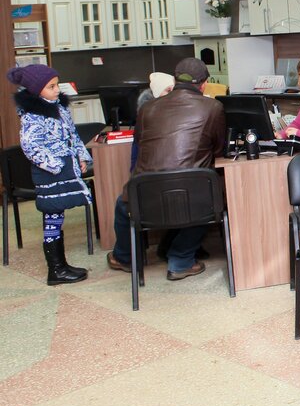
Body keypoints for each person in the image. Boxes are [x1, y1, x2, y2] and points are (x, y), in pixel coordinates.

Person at [106, 58, 225, 281]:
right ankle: (181, 260)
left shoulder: (147, 108)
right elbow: (219, 148)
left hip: (145, 195)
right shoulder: (213, 107)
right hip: (193, 196)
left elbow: (140, 143)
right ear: (204, 85)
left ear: (175, 80)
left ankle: (125, 258)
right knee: (211, 198)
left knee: (124, 204)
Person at [7, 64, 91, 285]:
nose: (57, 90)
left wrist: (81, 157)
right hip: (51, 173)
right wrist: (56, 165)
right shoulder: (33, 115)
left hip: (65, 167)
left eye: (56, 85)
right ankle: (56, 270)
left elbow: (73, 135)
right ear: (36, 90)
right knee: (53, 215)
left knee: (57, 215)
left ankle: (61, 265)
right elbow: (30, 146)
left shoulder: (59, 108)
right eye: (51, 87)